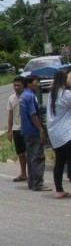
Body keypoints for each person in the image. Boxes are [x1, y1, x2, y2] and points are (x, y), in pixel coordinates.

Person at [20, 75, 48, 191]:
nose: (38, 85)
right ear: (29, 84)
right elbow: (33, 114)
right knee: (38, 158)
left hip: (26, 131)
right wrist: (41, 129)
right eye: (36, 82)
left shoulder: (22, 96)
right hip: (33, 130)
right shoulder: (31, 96)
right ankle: (38, 183)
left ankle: (31, 182)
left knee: (31, 157)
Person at [47, 69, 71, 199]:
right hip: (67, 134)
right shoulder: (66, 94)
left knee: (60, 163)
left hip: (55, 136)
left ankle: (59, 190)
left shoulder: (52, 94)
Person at [7, 76, 28, 182]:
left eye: (18, 85)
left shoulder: (28, 97)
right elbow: (10, 114)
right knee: (20, 152)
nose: (16, 87)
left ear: (23, 85)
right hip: (17, 128)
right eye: (14, 85)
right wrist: (9, 130)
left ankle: (33, 174)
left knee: (30, 152)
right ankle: (23, 173)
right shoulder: (11, 98)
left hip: (27, 128)